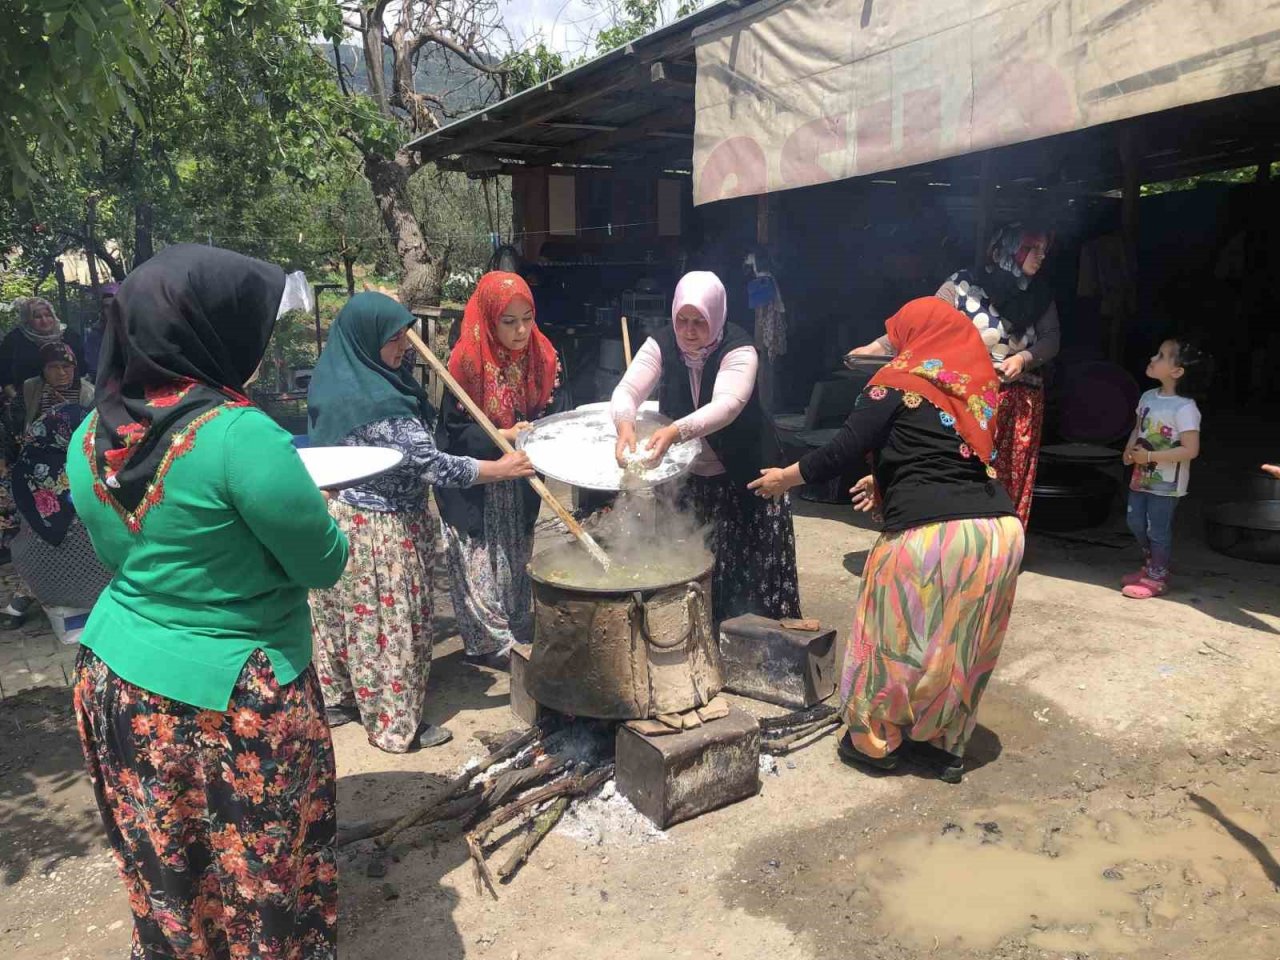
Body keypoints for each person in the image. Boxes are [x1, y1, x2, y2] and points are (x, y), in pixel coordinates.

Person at [65, 245, 349, 960]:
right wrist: (318, 512)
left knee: (171, 869)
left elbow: (118, 556)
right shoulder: (238, 435)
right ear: (211, 330)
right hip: (234, 699)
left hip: (118, 682)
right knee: (261, 883)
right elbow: (324, 561)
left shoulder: (89, 436)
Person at [750, 297, 1024, 784]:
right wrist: (886, 480)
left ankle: (875, 744)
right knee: (956, 646)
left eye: (899, 335)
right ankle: (943, 746)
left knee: (888, 640)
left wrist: (785, 479)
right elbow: (949, 454)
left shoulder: (895, 382)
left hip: (930, 537)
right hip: (997, 536)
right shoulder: (974, 388)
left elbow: (842, 448)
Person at [307, 292, 535, 752]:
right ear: (366, 339)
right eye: (394, 338)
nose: (405, 347)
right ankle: (396, 727)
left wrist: (502, 435)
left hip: (342, 520)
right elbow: (431, 464)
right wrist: (500, 469)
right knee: (394, 630)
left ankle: (343, 698)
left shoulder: (340, 377)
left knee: (347, 620)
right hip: (382, 531)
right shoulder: (377, 401)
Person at [612, 270, 801, 624]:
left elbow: (726, 406)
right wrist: (624, 424)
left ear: (716, 315)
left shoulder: (740, 348)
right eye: (682, 320)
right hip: (692, 478)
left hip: (746, 475)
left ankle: (754, 647)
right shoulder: (662, 344)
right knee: (690, 567)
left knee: (749, 572)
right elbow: (626, 390)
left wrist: (673, 432)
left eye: (699, 321)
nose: (688, 330)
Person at [850, 223, 1059, 526]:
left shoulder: (1040, 294)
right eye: (1033, 248)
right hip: (964, 397)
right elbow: (925, 320)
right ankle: (954, 534)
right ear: (1011, 248)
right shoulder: (964, 284)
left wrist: (1024, 360)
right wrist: (877, 346)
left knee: (1007, 473)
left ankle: (1002, 543)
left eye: (1044, 250)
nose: (1041, 257)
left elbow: (1051, 339)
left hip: (1015, 401)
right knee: (960, 465)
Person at [437, 272, 567, 664]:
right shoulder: (466, 362)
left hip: (521, 479)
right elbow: (453, 432)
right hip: (475, 480)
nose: (521, 330)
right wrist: (503, 435)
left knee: (514, 557)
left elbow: (557, 414)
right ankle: (488, 642)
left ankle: (515, 628)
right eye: (508, 322)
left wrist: (535, 437)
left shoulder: (545, 357)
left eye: (527, 318)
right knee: (478, 558)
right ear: (490, 321)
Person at [1119, 338, 1209, 599]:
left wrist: (1149, 455)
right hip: (1140, 475)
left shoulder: (1185, 408)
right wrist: (1129, 450)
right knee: (1135, 521)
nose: (1152, 357)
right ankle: (1151, 565)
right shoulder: (1148, 397)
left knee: (1157, 529)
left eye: (1160, 356)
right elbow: (1139, 429)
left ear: (1177, 371)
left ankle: (1158, 574)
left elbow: (1190, 450)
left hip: (1167, 484)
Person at [10, 403, 111, 622]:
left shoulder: (23, 467)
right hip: (98, 575)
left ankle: (19, 602)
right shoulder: (88, 465)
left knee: (30, 542)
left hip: (39, 574)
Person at [0, 297, 85, 408]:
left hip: (71, 397)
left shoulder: (69, 336)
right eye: (37, 317)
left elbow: (82, 368)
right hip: (27, 400)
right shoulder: (15, 339)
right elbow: (4, 373)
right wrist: (17, 400)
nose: (44, 321)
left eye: (48, 315)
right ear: (27, 319)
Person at [22, 341, 94, 429]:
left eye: (66, 366)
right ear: (43, 369)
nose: (61, 373)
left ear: (74, 368)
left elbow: (93, 429)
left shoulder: (90, 393)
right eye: (53, 367)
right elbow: (17, 422)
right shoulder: (30, 387)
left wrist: (70, 410)